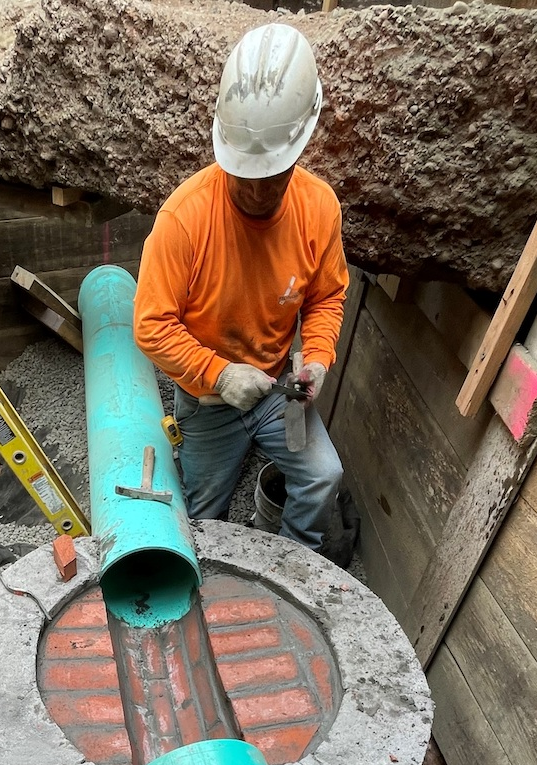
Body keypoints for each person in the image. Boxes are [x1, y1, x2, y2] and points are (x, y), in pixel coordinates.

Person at [133, 23, 353, 565]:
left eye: (271, 176)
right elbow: (151, 325)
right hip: (209, 403)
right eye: (243, 175)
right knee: (204, 516)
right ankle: (210, 581)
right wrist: (217, 374)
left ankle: (294, 568)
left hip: (281, 394)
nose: (255, 190)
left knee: (324, 475)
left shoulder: (318, 208)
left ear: (301, 145)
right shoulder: (185, 218)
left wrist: (319, 359)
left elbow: (326, 297)